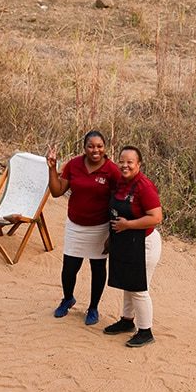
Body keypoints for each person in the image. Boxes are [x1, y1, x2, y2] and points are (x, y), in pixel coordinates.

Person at [46, 130, 121, 326]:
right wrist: (52, 168)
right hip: (75, 225)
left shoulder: (112, 171)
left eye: (99, 146)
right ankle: (67, 299)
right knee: (69, 268)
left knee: (98, 268)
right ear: (84, 148)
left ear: (105, 148)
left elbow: (118, 202)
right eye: (91, 146)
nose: (95, 150)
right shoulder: (74, 165)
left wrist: (112, 234)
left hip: (100, 226)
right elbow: (56, 191)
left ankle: (93, 307)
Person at [104, 145, 163, 348]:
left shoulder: (144, 186)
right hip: (126, 242)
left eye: (130, 162)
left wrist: (128, 224)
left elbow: (156, 217)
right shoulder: (121, 182)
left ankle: (145, 331)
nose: (125, 165)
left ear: (139, 164)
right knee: (128, 283)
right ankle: (127, 321)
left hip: (144, 243)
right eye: (122, 161)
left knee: (138, 288)